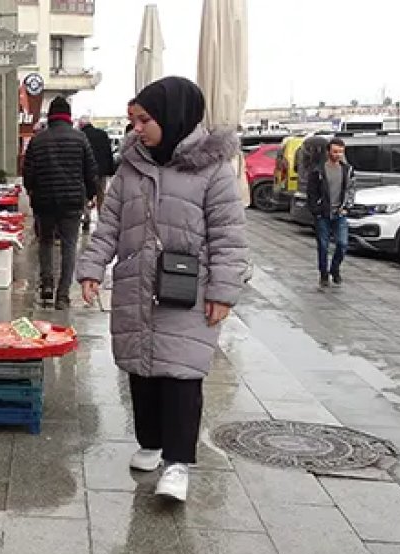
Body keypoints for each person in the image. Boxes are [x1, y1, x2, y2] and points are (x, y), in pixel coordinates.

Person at [75, 77, 249, 502]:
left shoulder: (213, 170)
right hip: (136, 285)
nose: (137, 129)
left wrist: (222, 292)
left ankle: (177, 463)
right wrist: (92, 267)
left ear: (172, 118)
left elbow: (229, 237)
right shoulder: (131, 167)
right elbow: (109, 225)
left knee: (181, 376)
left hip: (187, 290)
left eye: (145, 120)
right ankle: (150, 443)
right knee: (141, 370)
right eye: (134, 120)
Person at [22, 97, 98, 309]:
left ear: (50, 115)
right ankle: (63, 294)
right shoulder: (80, 138)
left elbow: (28, 171)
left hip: (44, 200)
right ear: (68, 115)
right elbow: (90, 170)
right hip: (72, 201)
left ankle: (46, 284)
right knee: (69, 245)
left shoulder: (38, 140)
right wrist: (91, 194)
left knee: (45, 241)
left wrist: (31, 190)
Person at [306, 137, 354, 287]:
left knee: (342, 244)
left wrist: (347, 207)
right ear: (328, 152)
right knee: (323, 246)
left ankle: (335, 268)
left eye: (340, 152)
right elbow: (311, 192)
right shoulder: (318, 170)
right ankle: (323, 273)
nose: (338, 155)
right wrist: (316, 210)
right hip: (323, 214)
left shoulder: (347, 170)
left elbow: (350, 189)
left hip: (340, 213)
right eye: (335, 151)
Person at [80, 116, 117, 231]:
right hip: (102, 171)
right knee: (101, 195)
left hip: (87, 172)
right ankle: (102, 219)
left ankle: (87, 218)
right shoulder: (102, 134)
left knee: (86, 196)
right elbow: (108, 152)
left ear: (81, 125)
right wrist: (110, 169)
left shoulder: (81, 135)